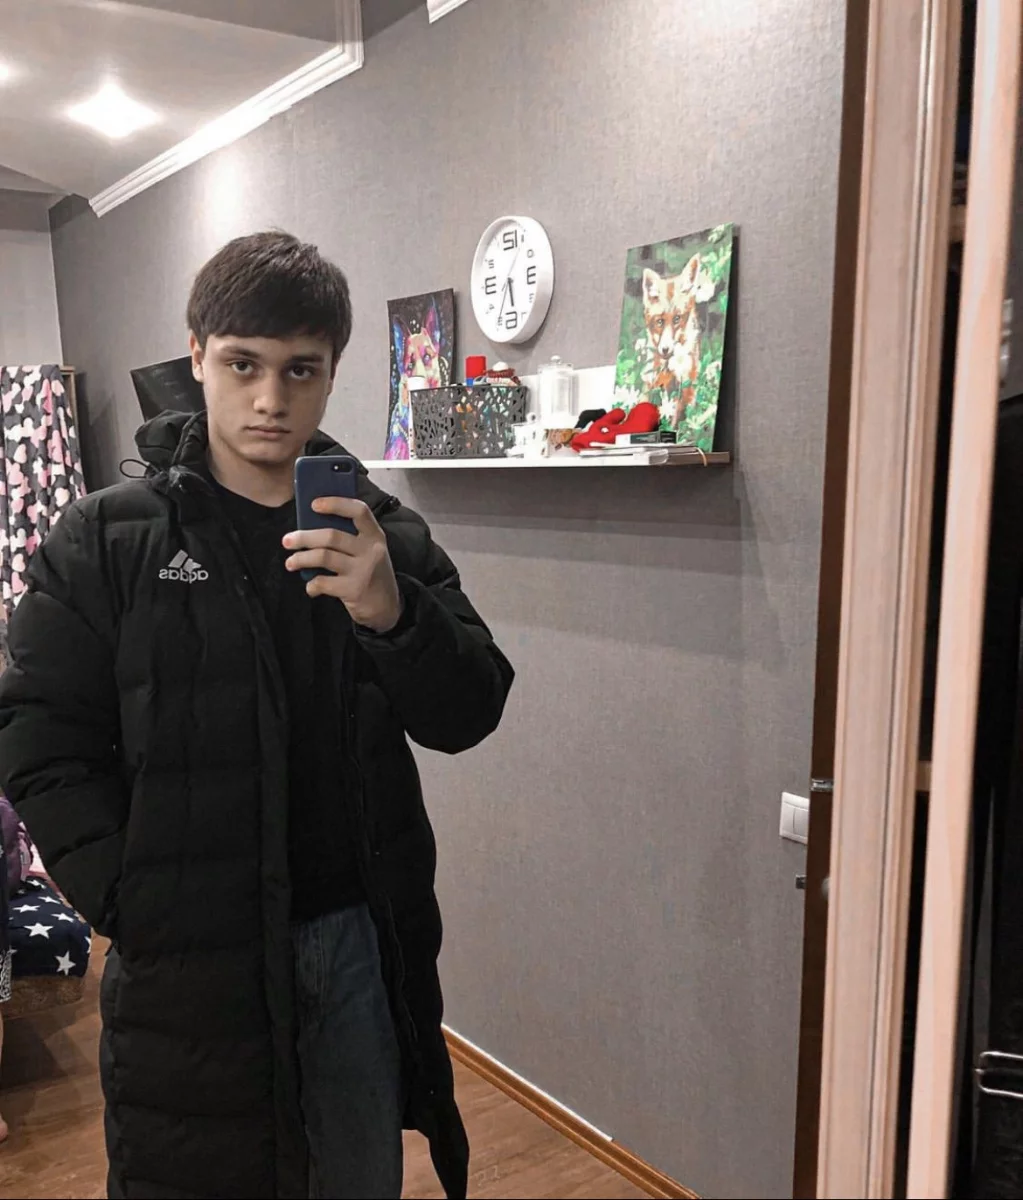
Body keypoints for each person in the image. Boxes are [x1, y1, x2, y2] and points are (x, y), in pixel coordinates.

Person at [0, 231, 514, 1199]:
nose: (271, 398)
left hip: (358, 938)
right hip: (192, 950)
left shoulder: (382, 535)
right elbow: (37, 733)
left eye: (299, 369)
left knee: (355, 1177)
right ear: (197, 356)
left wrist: (394, 616)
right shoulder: (107, 538)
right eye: (243, 364)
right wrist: (128, 897)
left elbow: (471, 709)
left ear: (330, 375)